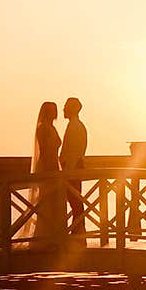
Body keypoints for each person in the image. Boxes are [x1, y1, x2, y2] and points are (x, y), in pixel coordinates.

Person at [31, 101, 62, 240]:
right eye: (52, 110)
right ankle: (43, 237)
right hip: (47, 167)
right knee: (46, 202)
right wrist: (51, 169)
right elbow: (44, 150)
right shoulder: (43, 128)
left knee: (54, 203)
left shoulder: (51, 127)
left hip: (54, 165)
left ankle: (53, 235)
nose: (55, 113)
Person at [61, 96, 87, 237]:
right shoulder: (76, 125)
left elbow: (73, 152)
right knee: (75, 199)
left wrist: (67, 171)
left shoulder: (75, 126)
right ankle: (78, 229)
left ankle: (78, 230)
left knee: (75, 199)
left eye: (65, 106)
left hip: (72, 169)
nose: (63, 109)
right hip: (74, 167)